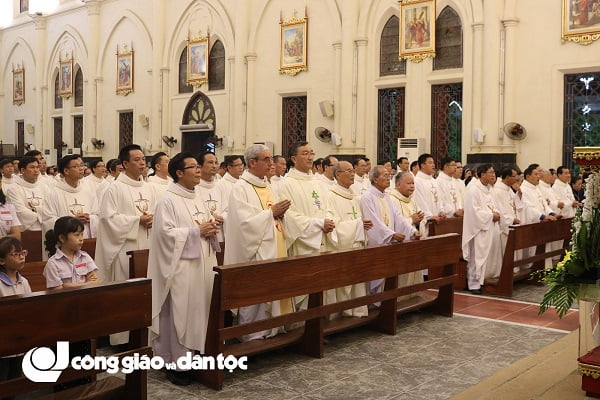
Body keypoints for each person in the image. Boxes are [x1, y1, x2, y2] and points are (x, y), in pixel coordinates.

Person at [148, 152, 219, 386]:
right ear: (179, 173)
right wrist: (197, 232)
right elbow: (164, 236)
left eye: (199, 166)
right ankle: (175, 363)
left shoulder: (197, 196)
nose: (199, 170)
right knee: (180, 312)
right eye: (193, 167)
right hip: (180, 269)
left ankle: (195, 356)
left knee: (198, 311)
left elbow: (203, 226)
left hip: (201, 266)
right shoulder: (167, 200)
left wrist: (210, 229)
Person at [224, 144, 293, 340]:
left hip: (274, 246)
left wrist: (280, 214)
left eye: (271, 159)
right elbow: (243, 224)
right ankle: (251, 334)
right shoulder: (240, 188)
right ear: (252, 162)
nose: (271, 163)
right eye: (266, 159)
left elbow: (273, 214)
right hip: (254, 251)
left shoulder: (267, 185)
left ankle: (273, 328)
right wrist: (271, 213)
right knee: (254, 294)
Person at [95, 144, 155, 345]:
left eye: (143, 159)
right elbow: (107, 219)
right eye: (137, 159)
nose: (142, 163)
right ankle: (122, 339)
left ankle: (145, 334)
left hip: (148, 244)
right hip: (124, 248)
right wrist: (136, 221)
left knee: (146, 291)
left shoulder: (149, 187)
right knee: (125, 292)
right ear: (124, 164)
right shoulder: (114, 188)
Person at [278, 141, 334, 310]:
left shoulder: (318, 183)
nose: (310, 157)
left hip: (323, 242)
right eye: (305, 153)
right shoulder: (286, 184)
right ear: (294, 158)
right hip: (303, 245)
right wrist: (318, 224)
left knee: (323, 288)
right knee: (304, 290)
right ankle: (300, 329)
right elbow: (289, 216)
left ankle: (321, 327)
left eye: (312, 153)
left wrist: (329, 221)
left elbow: (328, 207)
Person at [360, 165, 419, 296]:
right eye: (385, 175)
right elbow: (373, 223)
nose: (389, 178)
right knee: (375, 276)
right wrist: (391, 235)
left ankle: (382, 303)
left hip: (388, 244)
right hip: (376, 244)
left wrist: (411, 231)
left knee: (387, 276)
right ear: (375, 179)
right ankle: (373, 303)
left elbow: (398, 217)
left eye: (389, 175)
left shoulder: (386, 196)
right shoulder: (367, 197)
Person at [325, 161, 372, 317]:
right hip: (342, 247)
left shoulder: (353, 196)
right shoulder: (330, 195)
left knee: (357, 280)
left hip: (356, 244)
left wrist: (361, 225)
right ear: (338, 174)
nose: (353, 174)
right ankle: (340, 314)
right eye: (349, 171)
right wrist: (357, 224)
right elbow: (333, 224)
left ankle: (357, 311)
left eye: (353, 171)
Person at [462, 164, 502, 294]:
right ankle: (473, 284)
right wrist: (491, 216)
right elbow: (474, 211)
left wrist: (496, 213)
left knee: (485, 255)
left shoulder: (488, 188)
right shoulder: (473, 189)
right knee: (476, 256)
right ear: (482, 174)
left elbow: (492, 205)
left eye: (493, 172)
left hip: (489, 226)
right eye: (490, 172)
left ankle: (483, 279)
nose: (493, 175)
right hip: (478, 228)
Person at [387, 171, 425, 300]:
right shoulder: (391, 199)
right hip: (400, 244)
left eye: (413, 183)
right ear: (398, 184)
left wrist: (419, 224)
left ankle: (412, 296)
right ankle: (400, 299)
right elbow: (392, 223)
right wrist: (411, 220)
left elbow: (420, 219)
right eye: (408, 183)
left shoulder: (412, 200)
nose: (412, 186)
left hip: (413, 242)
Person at [41, 155, 98, 239]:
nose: (81, 168)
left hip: (86, 239)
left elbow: (97, 214)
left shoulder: (89, 191)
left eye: (81, 165)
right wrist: (72, 221)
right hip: (65, 243)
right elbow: (48, 221)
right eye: (76, 166)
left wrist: (90, 218)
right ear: (66, 171)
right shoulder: (53, 193)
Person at [0, 237, 30, 382]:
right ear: (1, 261)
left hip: (19, 340)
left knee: (14, 380)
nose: (21, 257)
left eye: (23, 253)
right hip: (3, 342)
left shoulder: (24, 282)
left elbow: (30, 305)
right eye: (16, 254)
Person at [43, 216, 98, 290]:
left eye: (82, 234)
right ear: (62, 238)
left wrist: (66, 286)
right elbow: (57, 290)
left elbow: (95, 282)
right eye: (77, 235)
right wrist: (86, 284)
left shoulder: (85, 257)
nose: (81, 239)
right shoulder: (53, 263)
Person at [5, 156, 50, 233]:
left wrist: (34, 210)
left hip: (45, 230)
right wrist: (42, 214)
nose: (36, 170)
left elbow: (51, 208)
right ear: (22, 170)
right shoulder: (13, 189)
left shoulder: (44, 187)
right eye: (32, 167)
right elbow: (20, 212)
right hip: (26, 232)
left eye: (37, 167)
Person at [196, 152, 226, 261]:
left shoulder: (221, 185)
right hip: (204, 233)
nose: (214, 166)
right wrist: (212, 219)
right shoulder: (194, 186)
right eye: (210, 162)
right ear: (199, 165)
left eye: (216, 162)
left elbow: (227, 208)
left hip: (220, 232)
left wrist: (222, 216)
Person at [413, 153, 446, 236]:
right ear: (423, 165)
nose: (433, 165)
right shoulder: (417, 181)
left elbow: (439, 198)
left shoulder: (434, 181)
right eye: (430, 163)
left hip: (437, 220)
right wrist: (429, 216)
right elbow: (419, 201)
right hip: (427, 222)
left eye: (433, 163)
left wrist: (441, 210)